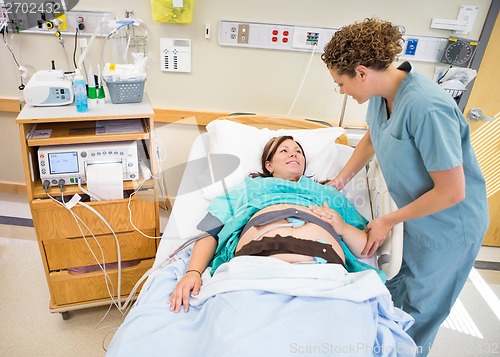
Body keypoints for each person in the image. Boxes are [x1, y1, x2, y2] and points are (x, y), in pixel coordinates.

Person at [321, 17, 489, 356]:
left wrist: (387, 220)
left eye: (341, 83)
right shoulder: (380, 95)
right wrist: (341, 180)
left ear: (362, 72)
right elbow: (373, 135)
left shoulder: (427, 107)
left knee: (420, 314)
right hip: (416, 219)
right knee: (395, 295)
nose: (341, 91)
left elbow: (452, 191)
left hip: (450, 229)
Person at [168, 135, 376, 313]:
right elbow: (209, 231)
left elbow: (364, 249)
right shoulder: (249, 188)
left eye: (298, 152)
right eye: (284, 151)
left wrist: (342, 227)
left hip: (322, 268)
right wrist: (193, 272)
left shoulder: (327, 192)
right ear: (269, 165)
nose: (293, 154)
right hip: (256, 263)